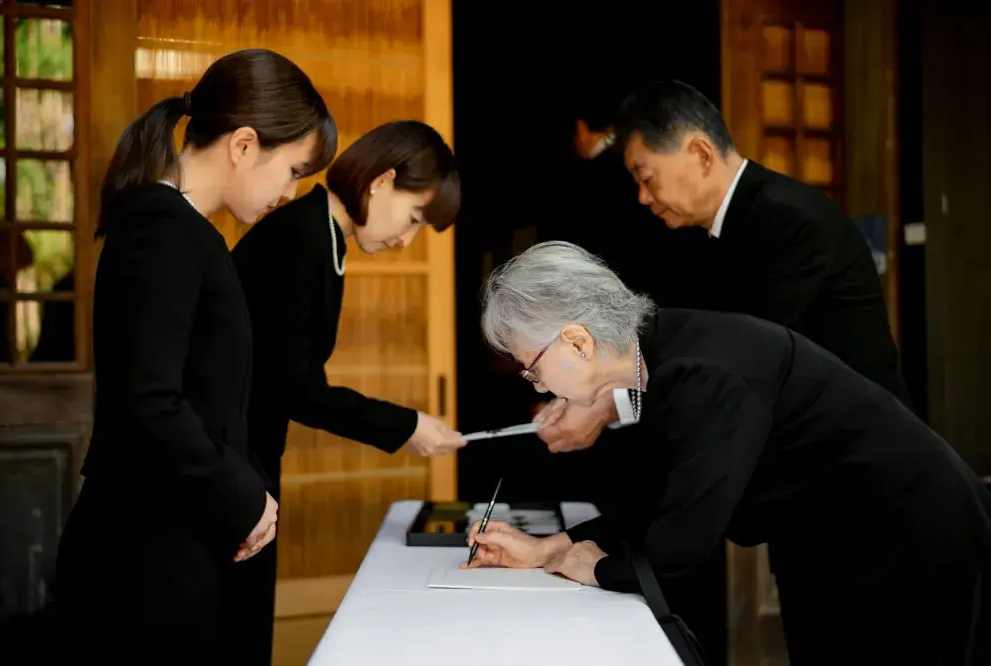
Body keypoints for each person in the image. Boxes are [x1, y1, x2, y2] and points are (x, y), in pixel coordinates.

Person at [470, 241, 991, 665]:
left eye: (532, 368)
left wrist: (596, 568)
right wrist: (550, 549)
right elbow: (663, 501)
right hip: (842, 535)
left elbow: (679, 547)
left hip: (909, 532)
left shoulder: (702, 375)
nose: (538, 386)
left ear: (578, 341)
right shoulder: (659, 356)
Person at [54, 48, 338, 664]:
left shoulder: (188, 231)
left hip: (175, 544)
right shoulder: (162, 228)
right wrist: (244, 497)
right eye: (292, 170)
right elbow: (149, 402)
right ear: (243, 145)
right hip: (142, 557)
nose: (290, 192)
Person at [535, 79, 913, 454]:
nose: (642, 196)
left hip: (866, 448)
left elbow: (745, 356)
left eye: (646, 177)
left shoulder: (787, 222)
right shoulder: (718, 227)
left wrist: (610, 404)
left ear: (701, 153)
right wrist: (604, 395)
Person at [230, 119, 465, 661]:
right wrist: (406, 425)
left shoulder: (324, 235)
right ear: (382, 181)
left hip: (250, 455)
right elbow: (297, 387)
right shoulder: (303, 236)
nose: (405, 240)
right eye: (413, 218)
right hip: (231, 462)